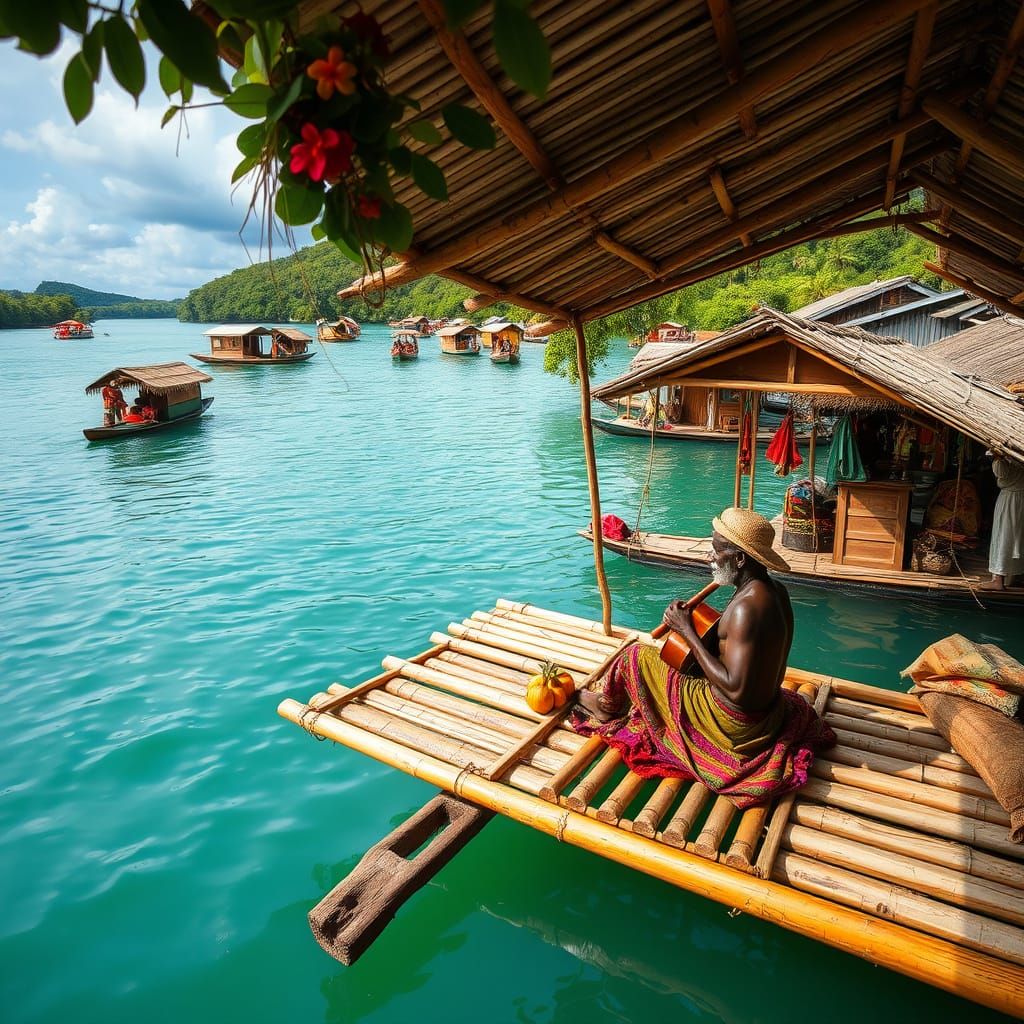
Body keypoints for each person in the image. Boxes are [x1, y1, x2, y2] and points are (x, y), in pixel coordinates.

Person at [574, 507, 835, 808]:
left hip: (734, 724)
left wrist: (687, 631)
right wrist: (699, 630)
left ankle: (607, 706)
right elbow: (745, 648)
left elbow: (736, 688)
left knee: (636, 656)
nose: (710, 556)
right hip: (768, 711)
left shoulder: (746, 610)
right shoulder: (774, 590)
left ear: (739, 559)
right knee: (671, 660)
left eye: (716, 549)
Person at [981, 452, 1024, 591]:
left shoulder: (1007, 460)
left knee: (1003, 536)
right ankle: (1012, 576)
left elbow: (1001, 473)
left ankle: (998, 579)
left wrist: (998, 458)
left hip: (1010, 500)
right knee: (1016, 537)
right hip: (1019, 498)